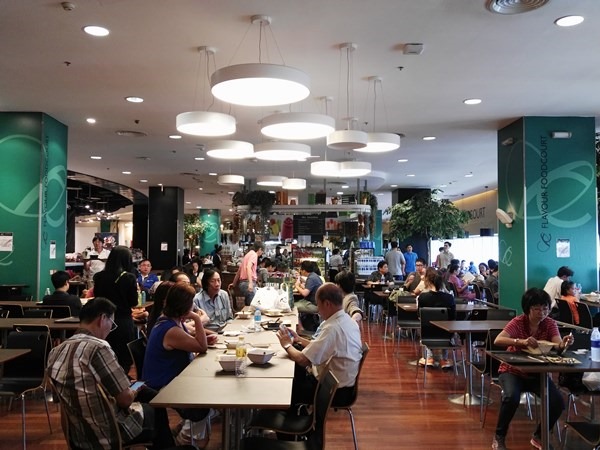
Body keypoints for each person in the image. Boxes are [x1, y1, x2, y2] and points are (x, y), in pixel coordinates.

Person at [47, 297, 175, 450]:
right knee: (155, 405)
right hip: (109, 432)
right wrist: (135, 387)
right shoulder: (98, 348)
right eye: (112, 324)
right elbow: (125, 399)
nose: (110, 329)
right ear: (103, 319)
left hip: (78, 435)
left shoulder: (56, 351)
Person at [491, 288, 573, 450]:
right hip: (512, 371)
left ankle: (539, 436)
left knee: (557, 402)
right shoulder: (518, 322)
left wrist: (564, 344)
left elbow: (557, 344)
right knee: (511, 397)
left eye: (545, 309)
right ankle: (499, 436)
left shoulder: (549, 323)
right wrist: (520, 342)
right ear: (528, 309)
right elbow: (498, 340)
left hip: (538, 373)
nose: (542, 313)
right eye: (537, 309)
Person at [143, 283, 218, 447]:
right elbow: (201, 347)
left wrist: (205, 338)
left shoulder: (170, 321)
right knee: (204, 403)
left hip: (173, 379)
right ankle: (183, 440)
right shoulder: (170, 329)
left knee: (210, 394)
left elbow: (193, 340)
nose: (193, 306)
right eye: (191, 303)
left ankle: (184, 432)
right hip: (162, 384)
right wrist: (196, 317)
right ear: (184, 306)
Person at [276, 283, 362, 405]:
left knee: (287, 384)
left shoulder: (332, 328)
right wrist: (298, 339)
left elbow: (303, 360)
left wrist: (286, 345)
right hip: (342, 386)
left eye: (318, 304)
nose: (318, 309)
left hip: (332, 391)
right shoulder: (347, 320)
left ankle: (293, 414)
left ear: (327, 304)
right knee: (295, 356)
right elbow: (322, 346)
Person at [93, 245, 138, 373]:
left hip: (102, 321)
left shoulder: (99, 277)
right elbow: (133, 302)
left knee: (105, 356)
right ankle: (121, 381)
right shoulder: (129, 278)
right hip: (123, 321)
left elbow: (97, 297)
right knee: (123, 358)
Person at [417, 268, 456, 368]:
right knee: (447, 326)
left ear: (427, 281)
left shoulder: (422, 297)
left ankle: (429, 357)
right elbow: (453, 318)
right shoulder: (449, 298)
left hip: (427, 335)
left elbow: (419, 316)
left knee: (425, 325)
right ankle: (444, 359)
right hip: (446, 336)